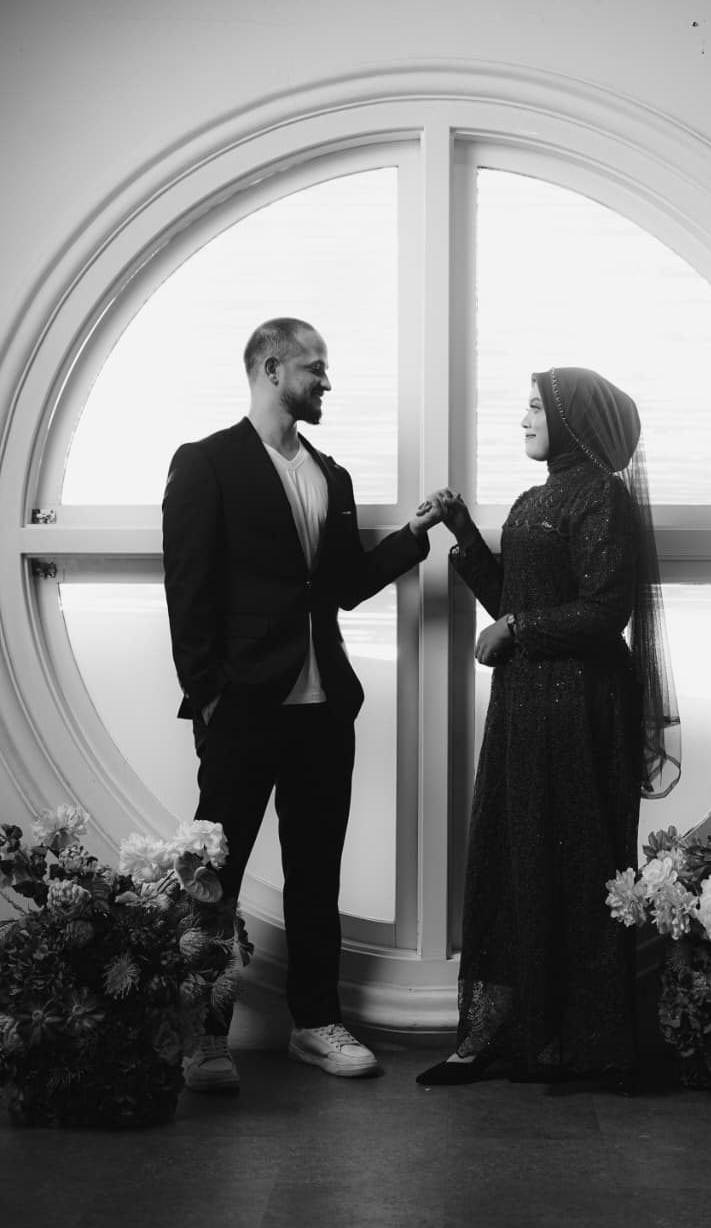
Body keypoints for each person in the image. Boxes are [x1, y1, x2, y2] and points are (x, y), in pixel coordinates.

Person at [162, 317, 445, 1092]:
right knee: (212, 879)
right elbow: (187, 591)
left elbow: (341, 586)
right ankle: (203, 1036)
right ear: (269, 367)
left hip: (324, 709)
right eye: (314, 368)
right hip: (243, 706)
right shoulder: (206, 463)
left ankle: (315, 1024)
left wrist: (412, 536)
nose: (326, 382)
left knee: (316, 875)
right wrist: (208, 698)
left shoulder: (331, 475)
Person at [417, 366, 680, 1090]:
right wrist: (464, 534)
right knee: (511, 850)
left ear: (572, 418)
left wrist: (516, 629)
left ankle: (581, 1044)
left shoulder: (603, 496)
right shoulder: (535, 497)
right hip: (524, 701)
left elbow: (603, 611)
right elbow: (513, 596)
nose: (525, 419)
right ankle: (500, 1034)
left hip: (581, 707)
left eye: (536, 407)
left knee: (574, 858)